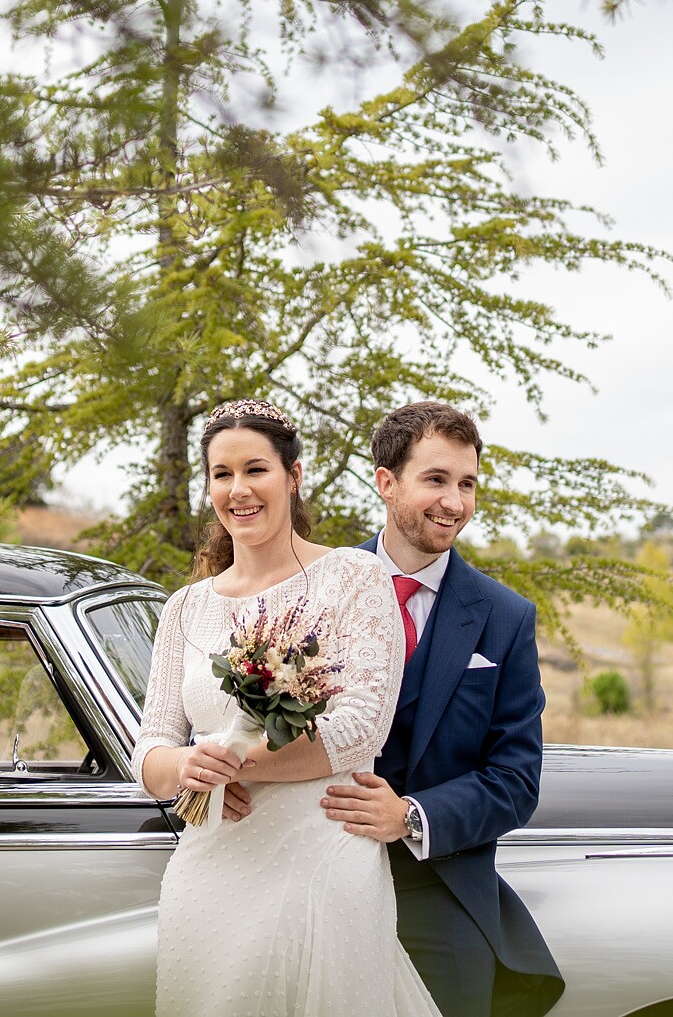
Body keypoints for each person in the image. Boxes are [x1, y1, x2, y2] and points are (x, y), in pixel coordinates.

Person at [132, 399, 443, 1017]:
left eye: (256, 470)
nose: (239, 490)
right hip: (210, 870)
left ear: (293, 476)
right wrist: (186, 768)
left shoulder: (354, 578)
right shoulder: (184, 608)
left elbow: (361, 728)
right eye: (222, 474)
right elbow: (150, 747)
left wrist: (229, 761)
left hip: (322, 857)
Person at [319, 401, 564, 1017]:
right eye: (436, 479)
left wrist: (408, 816)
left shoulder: (505, 617)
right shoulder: (317, 587)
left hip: (437, 887)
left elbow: (515, 780)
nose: (455, 502)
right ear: (386, 482)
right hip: (314, 873)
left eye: (467, 484)